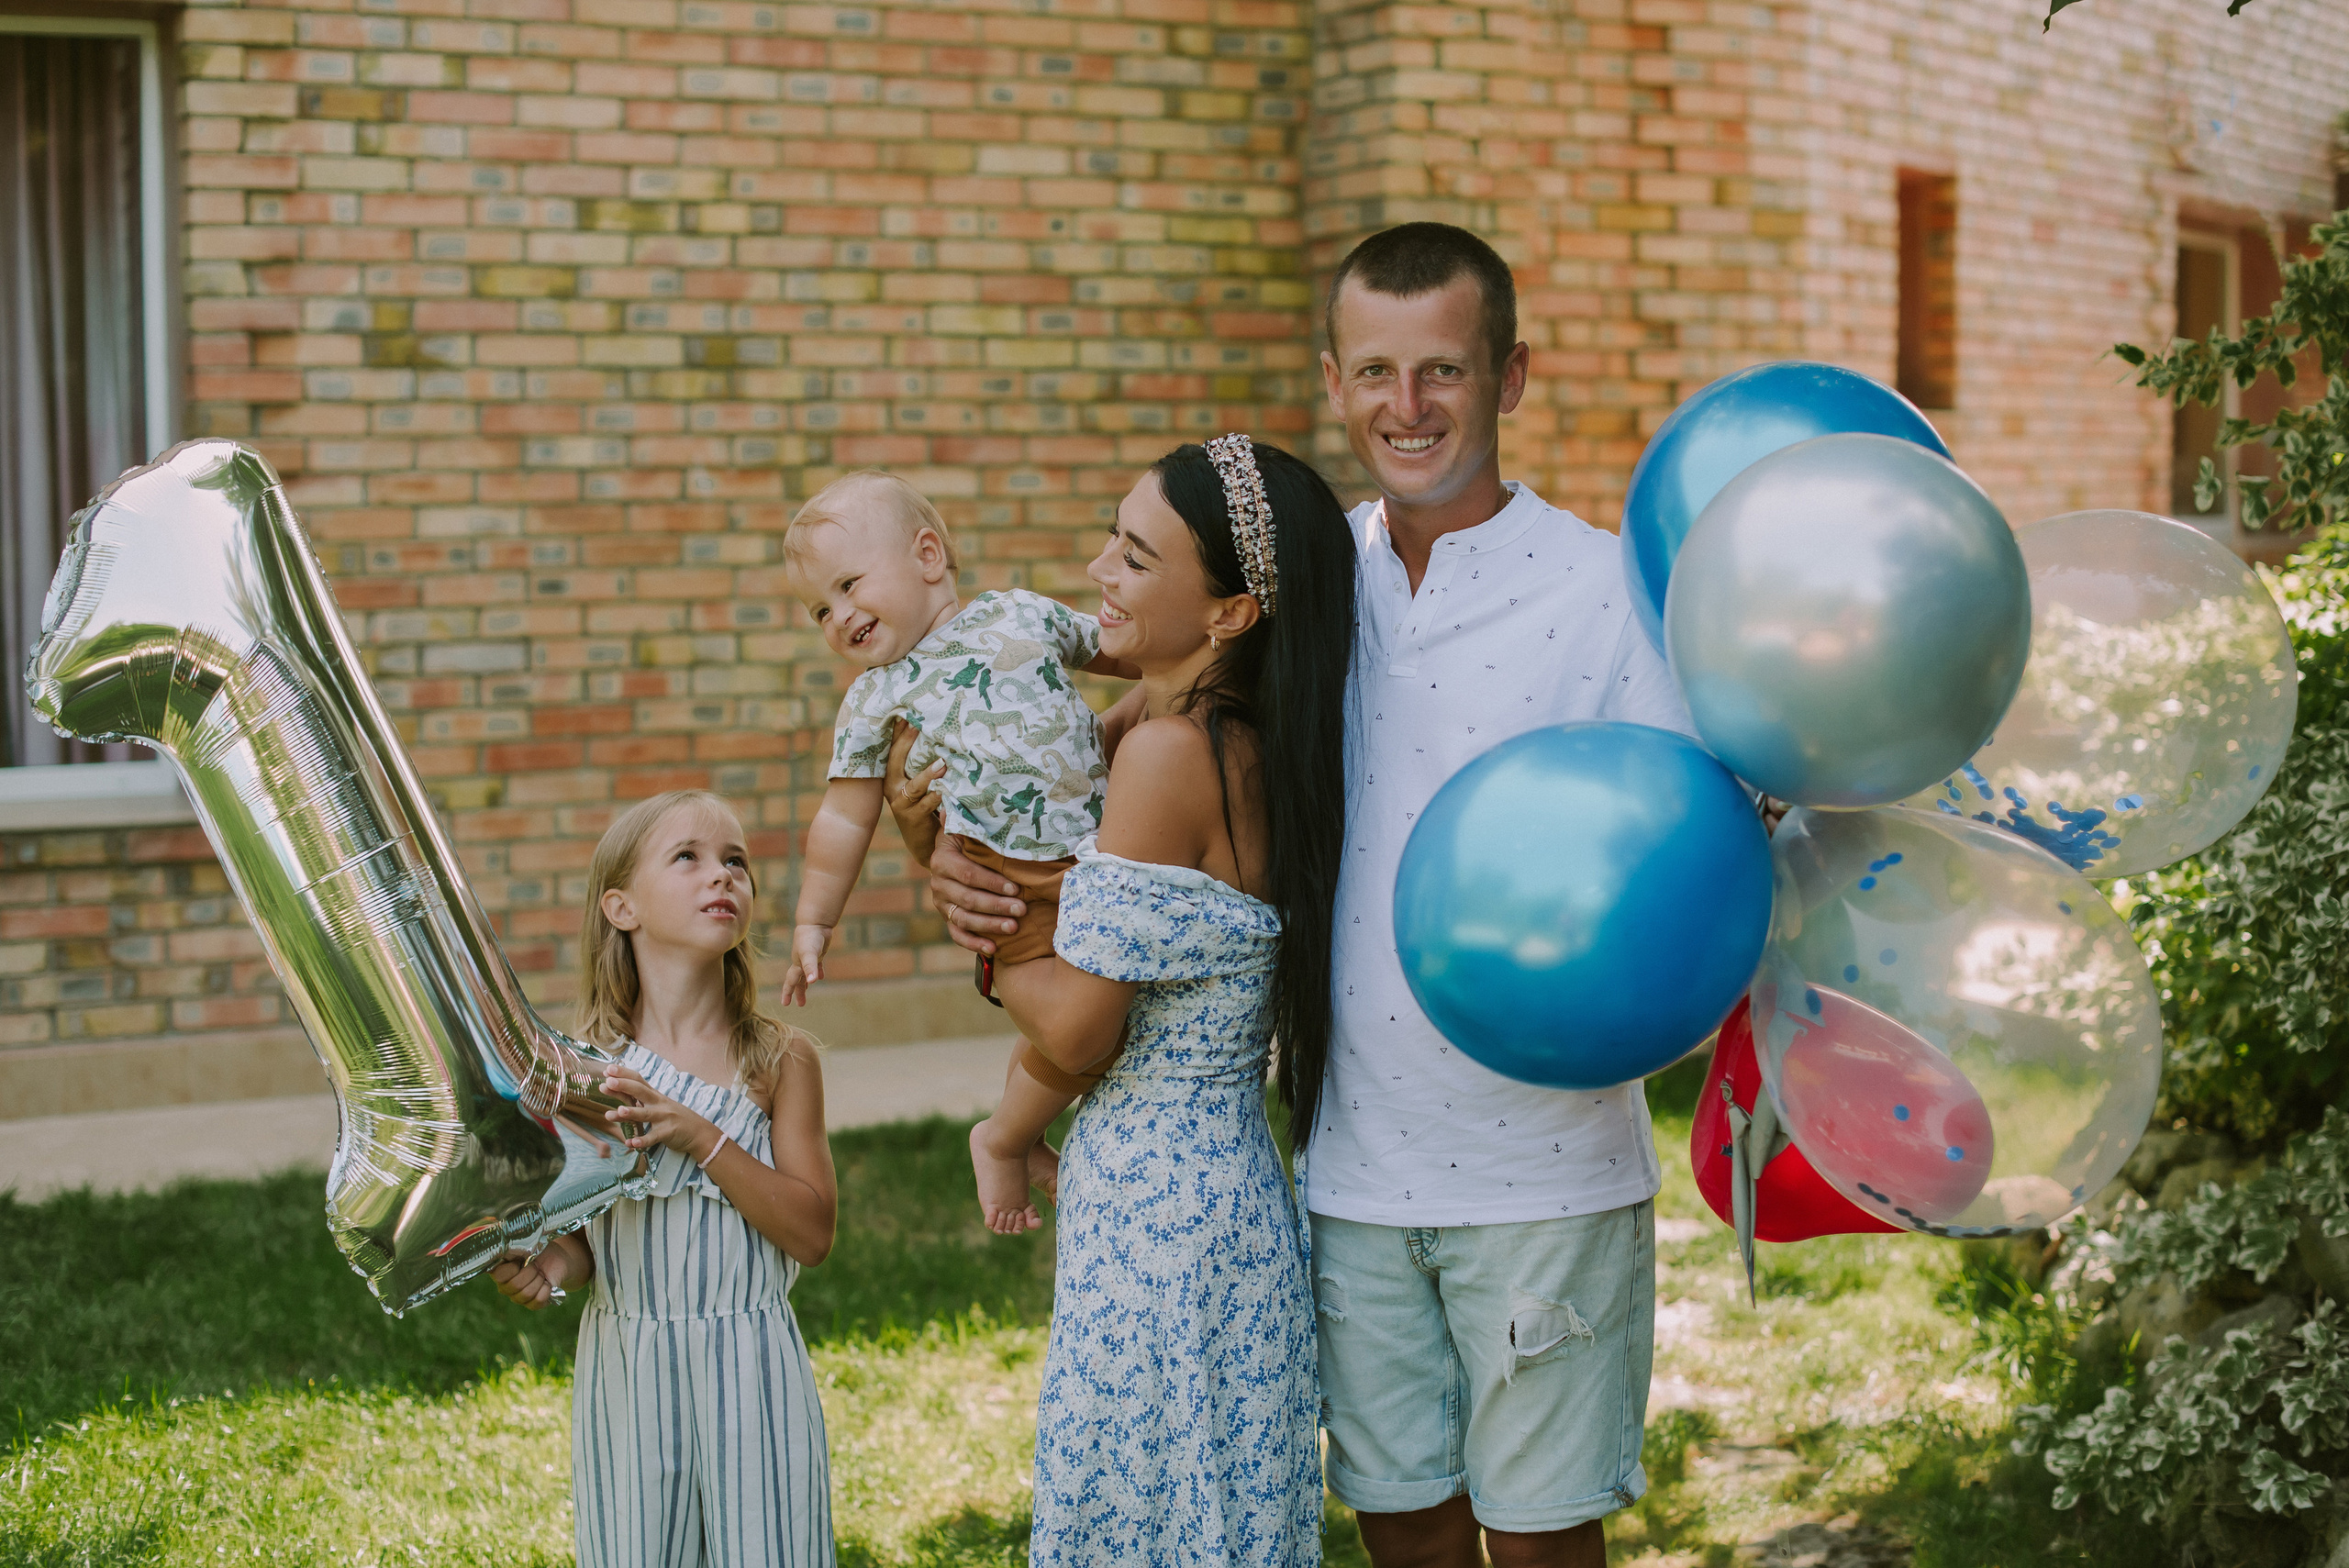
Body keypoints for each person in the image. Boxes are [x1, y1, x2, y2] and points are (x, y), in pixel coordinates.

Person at [919, 224, 1688, 1568]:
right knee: (1403, 1525)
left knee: (1543, 1535)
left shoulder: (1606, 591)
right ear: (1332, 381)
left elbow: (1683, 853)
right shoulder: (1298, 583)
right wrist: (963, 858)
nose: (1408, 408)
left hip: (1545, 1164)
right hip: (1347, 1162)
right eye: (1377, 372)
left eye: (1443, 371)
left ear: (1510, 380)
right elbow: (1105, 730)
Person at [898, 436, 1357, 1564]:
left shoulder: (1165, 755)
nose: (1099, 567)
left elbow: (1080, 1029)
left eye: (1137, 555)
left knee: (1145, 1513)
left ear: (1231, 613)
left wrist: (971, 917)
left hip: (1160, 1221)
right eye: (1112, 533)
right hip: (1213, 1193)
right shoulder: (1241, 739)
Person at [775, 469, 1138, 1231]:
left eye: (847, 585)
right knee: (1086, 1031)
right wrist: (814, 922)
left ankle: (1016, 1127)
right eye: (819, 609)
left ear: (929, 555)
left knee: (1099, 1023)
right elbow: (843, 820)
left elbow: (1123, 653)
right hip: (1010, 892)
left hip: (1107, 858)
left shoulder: (1019, 614)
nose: (838, 616)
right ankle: (1004, 1138)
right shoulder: (874, 698)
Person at [490, 789, 838, 1568]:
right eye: (689, 857)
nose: (723, 875)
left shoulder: (780, 1061)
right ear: (622, 907)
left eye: (736, 861)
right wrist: (552, 1265)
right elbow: (588, 1240)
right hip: (630, 1369)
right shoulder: (584, 1073)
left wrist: (702, 1135)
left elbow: (812, 1233)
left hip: (754, 1366)